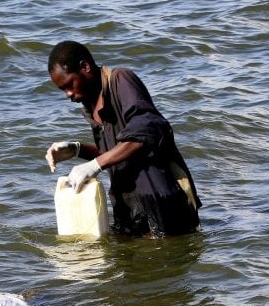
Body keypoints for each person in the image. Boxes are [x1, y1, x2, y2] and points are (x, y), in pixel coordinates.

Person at [45, 41, 202, 237]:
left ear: (85, 67)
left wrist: (95, 165)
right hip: (130, 213)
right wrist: (77, 150)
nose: (68, 94)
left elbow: (143, 135)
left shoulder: (121, 80)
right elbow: (117, 154)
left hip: (163, 206)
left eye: (69, 85)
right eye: (63, 90)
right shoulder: (91, 105)